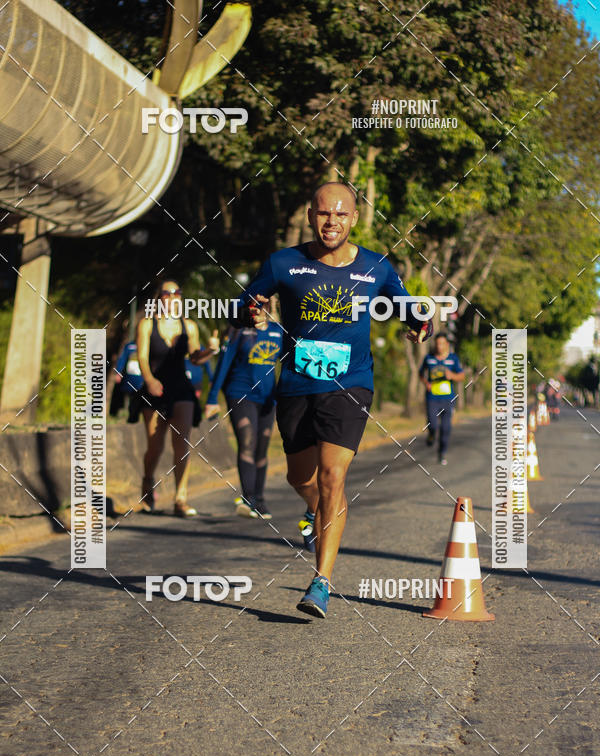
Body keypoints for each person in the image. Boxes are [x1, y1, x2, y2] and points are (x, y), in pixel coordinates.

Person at [230, 182, 431, 618]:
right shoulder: (284, 262)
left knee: (331, 477)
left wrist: (420, 321)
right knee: (301, 480)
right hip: (298, 385)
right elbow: (244, 302)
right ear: (310, 215)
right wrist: (249, 308)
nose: (331, 222)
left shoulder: (377, 266)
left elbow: (406, 305)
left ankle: (320, 581)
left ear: (354, 218)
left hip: (351, 383)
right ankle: (316, 514)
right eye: (324, 214)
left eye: (340, 215)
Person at [137, 280, 218, 517]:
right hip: (155, 388)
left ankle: (180, 498)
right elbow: (142, 356)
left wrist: (211, 351)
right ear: (159, 297)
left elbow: (195, 357)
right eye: (167, 293)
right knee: (155, 446)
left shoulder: (189, 326)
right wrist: (150, 380)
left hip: (181, 388)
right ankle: (147, 482)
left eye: (177, 293)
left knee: (181, 445)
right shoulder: (146, 324)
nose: (173, 296)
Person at [205, 300, 283, 519]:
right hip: (240, 393)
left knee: (262, 447)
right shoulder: (239, 329)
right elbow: (224, 363)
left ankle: (260, 499)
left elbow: (288, 363)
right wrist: (212, 398)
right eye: (256, 303)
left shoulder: (278, 331)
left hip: (268, 397)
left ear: (272, 304)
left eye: (266, 302)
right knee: (247, 442)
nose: (260, 306)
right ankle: (248, 499)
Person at [419, 333, 464, 466]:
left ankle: (442, 452)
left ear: (447, 345)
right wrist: (426, 383)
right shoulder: (429, 358)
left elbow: (461, 376)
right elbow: (421, 373)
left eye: (442, 344)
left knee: (446, 428)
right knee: (433, 424)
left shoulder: (453, 359)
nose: (439, 346)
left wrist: (452, 375)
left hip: (448, 399)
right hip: (432, 398)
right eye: (437, 343)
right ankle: (431, 435)